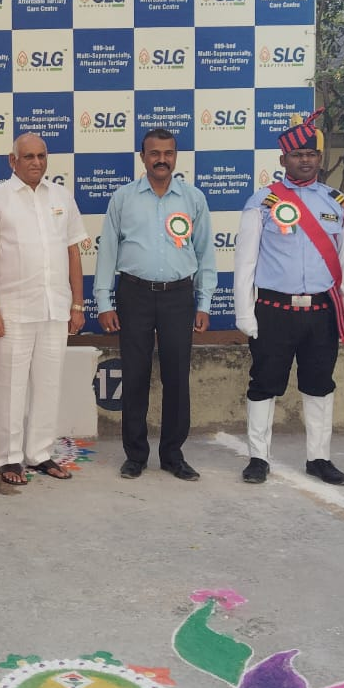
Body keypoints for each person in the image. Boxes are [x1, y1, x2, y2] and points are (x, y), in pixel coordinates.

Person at [234, 110, 344, 487]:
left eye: (311, 154)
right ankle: (258, 457)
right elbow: (245, 262)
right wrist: (245, 313)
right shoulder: (262, 202)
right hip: (274, 310)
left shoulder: (338, 203)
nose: (305, 160)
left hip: (321, 311)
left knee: (320, 384)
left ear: (319, 158)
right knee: (263, 383)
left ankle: (319, 458)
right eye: (297, 154)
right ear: (283, 159)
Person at [95, 128, 216, 481]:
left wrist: (204, 302)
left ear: (175, 156)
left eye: (168, 153)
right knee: (135, 374)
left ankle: (173, 455)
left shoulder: (193, 198)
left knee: (177, 376)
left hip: (179, 296)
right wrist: (104, 301)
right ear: (143, 157)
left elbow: (206, 254)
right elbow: (107, 252)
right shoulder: (123, 198)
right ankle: (135, 455)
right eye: (154, 153)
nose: (162, 159)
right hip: (134, 294)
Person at [0, 133, 86, 485]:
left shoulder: (61, 197)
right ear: (13, 161)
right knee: (10, 389)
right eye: (28, 157)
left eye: (41, 156)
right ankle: (9, 459)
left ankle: (40, 454)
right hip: (13, 312)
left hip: (55, 309)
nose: (36, 162)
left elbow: (73, 251)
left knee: (48, 386)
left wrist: (77, 304)